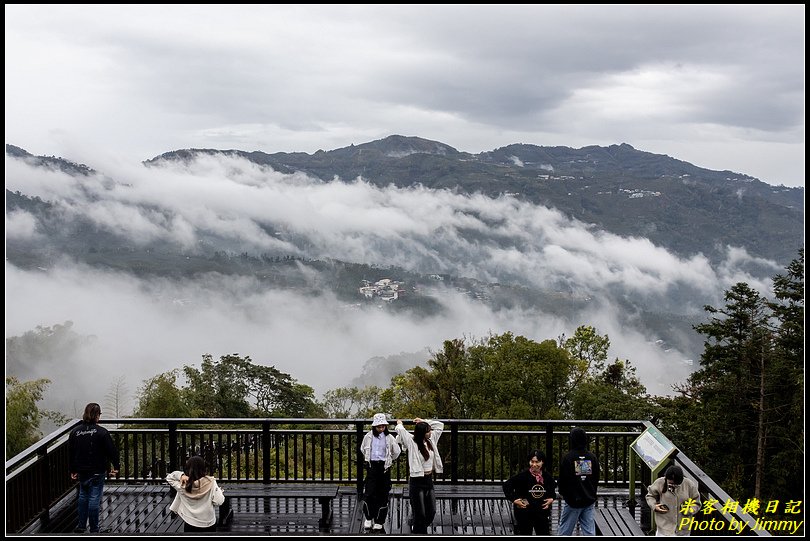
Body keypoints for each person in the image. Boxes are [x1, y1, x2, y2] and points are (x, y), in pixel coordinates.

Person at [68, 402, 120, 534]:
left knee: (83, 496)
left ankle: (81, 526)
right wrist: (116, 466)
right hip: (97, 471)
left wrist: (72, 469)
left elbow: (71, 452)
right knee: (94, 499)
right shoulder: (102, 432)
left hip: (82, 471)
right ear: (96, 415)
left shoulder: (75, 431)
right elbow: (112, 451)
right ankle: (94, 529)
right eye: (99, 414)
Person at [395, 417, 444, 534]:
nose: (430, 432)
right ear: (422, 432)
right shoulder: (412, 442)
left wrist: (424, 421)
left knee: (431, 511)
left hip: (428, 480)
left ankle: (417, 526)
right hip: (416, 481)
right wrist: (399, 423)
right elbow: (401, 431)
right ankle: (418, 530)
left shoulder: (431, 440)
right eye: (427, 431)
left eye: (430, 430)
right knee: (420, 512)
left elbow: (440, 425)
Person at [360, 413, 402, 531]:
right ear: (374, 426)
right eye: (379, 426)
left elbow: (397, 451)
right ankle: (368, 517)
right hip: (372, 466)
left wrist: (389, 460)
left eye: (383, 426)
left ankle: (379, 520)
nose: (381, 428)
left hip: (384, 467)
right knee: (369, 492)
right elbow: (363, 449)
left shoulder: (389, 438)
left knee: (383, 493)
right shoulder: (368, 436)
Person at [503, 449, 558, 535]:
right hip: (525, 512)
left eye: (538, 462)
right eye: (532, 462)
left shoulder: (547, 477)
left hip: (541, 513)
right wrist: (514, 499)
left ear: (543, 462)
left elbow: (552, 489)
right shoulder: (522, 476)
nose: (534, 464)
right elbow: (506, 486)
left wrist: (552, 498)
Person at [557, 427, 600, 536]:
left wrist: (564, 493)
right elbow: (596, 478)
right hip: (588, 499)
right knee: (589, 531)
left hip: (572, 501)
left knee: (565, 530)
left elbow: (562, 480)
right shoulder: (592, 457)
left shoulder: (568, 458)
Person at [166, 455, 225, 532]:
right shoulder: (211, 483)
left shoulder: (182, 485)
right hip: (208, 523)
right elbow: (219, 501)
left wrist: (181, 475)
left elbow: (170, 477)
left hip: (190, 522)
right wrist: (220, 492)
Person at [645, 465, 700, 536]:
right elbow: (650, 496)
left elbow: (696, 502)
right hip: (664, 528)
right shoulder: (660, 482)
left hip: (683, 529)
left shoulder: (689, 484)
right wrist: (654, 506)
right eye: (670, 483)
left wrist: (689, 510)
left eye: (675, 484)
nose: (672, 486)